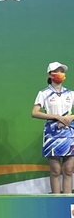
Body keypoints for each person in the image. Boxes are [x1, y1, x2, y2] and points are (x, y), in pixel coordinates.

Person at [32, 61, 74, 193]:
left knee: (68, 170)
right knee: (55, 170)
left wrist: (70, 118)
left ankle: (67, 200)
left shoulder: (70, 93)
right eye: (57, 71)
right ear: (50, 74)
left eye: (62, 71)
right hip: (52, 134)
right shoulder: (43, 93)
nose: (60, 74)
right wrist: (56, 117)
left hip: (69, 133)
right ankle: (56, 199)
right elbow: (35, 113)